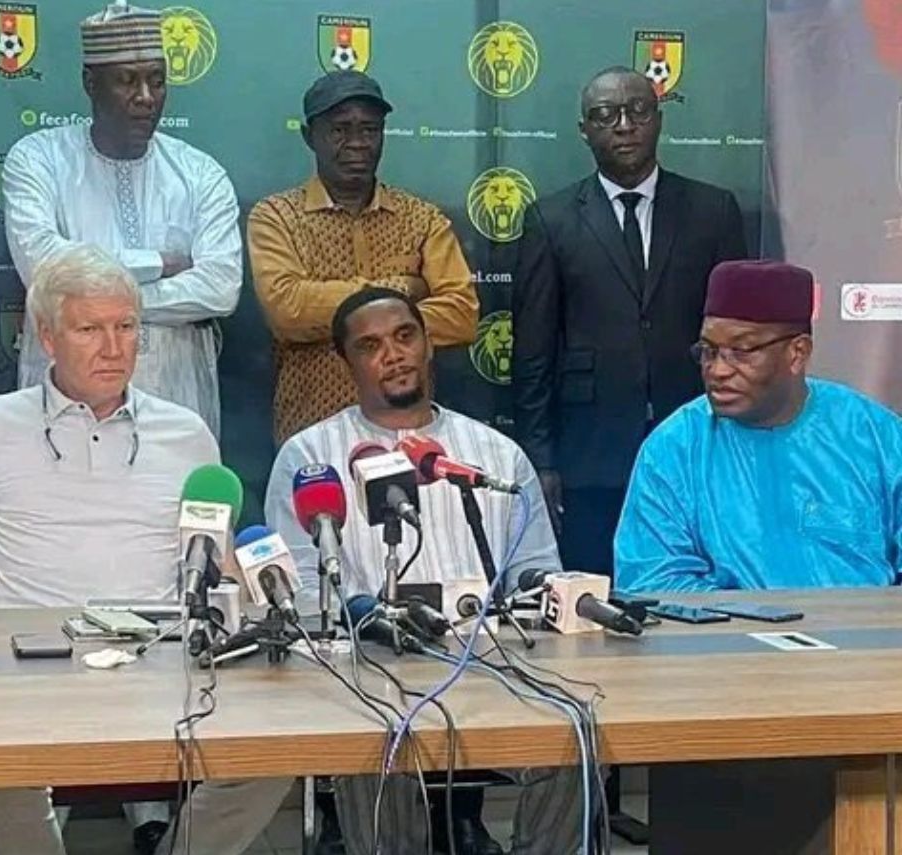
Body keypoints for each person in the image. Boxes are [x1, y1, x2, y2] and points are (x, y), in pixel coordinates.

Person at [0, 245, 290, 855]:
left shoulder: (186, 433)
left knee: (279, 752)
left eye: (126, 327)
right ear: (47, 337)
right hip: (25, 671)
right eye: (90, 329)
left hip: (162, 663)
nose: (114, 348)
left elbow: (217, 564)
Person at [266, 288, 573, 855]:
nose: (394, 354)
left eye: (405, 336)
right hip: (368, 677)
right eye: (371, 346)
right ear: (347, 362)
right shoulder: (309, 459)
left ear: (429, 344)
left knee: (574, 735)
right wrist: (363, 621)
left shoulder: (496, 455)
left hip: (490, 671)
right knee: (370, 745)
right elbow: (302, 591)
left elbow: (536, 574)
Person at [512, 65, 748, 576]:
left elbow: (738, 336)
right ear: (584, 130)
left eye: (638, 110)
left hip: (698, 442)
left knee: (698, 586)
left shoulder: (713, 210)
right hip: (590, 452)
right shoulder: (550, 219)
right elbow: (533, 351)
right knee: (596, 592)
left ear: (658, 119)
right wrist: (542, 460)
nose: (624, 125)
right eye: (606, 115)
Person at [2, 2, 241, 436]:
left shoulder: (200, 173)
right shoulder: (38, 160)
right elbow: (42, 268)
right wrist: (159, 263)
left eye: (157, 81)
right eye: (128, 81)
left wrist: (86, 306)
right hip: (64, 411)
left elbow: (220, 287)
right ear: (90, 83)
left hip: (176, 403)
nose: (145, 97)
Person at [616, 260, 902, 592]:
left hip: (867, 627)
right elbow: (653, 582)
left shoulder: (875, 437)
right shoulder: (674, 449)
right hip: (726, 627)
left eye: (741, 351)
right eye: (709, 351)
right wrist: (754, 617)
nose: (718, 370)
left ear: (797, 353)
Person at [249, 71, 478, 443]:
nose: (357, 143)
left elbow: (462, 315)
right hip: (312, 433)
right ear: (310, 136)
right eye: (340, 130)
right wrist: (400, 289)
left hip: (410, 432)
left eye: (369, 130)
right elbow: (287, 310)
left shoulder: (422, 218)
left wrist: (331, 311)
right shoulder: (276, 216)